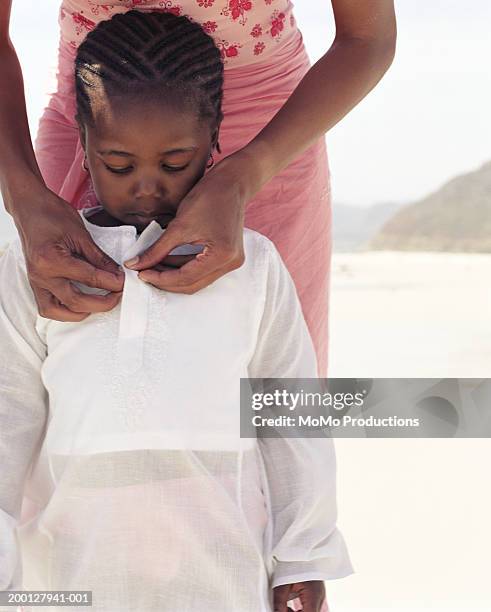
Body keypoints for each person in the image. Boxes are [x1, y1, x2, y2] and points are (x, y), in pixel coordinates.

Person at [0, 11, 353, 612]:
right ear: (82, 147)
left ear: (215, 143)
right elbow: (9, 414)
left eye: (173, 164)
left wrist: (303, 556)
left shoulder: (257, 268)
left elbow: (290, 409)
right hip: (69, 577)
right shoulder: (32, 269)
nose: (146, 189)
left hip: (221, 580)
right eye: (118, 166)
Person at [0, 1, 396, 377]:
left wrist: (245, 175)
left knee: (272, 387)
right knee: (54, 361)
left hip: (271, 136)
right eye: (123, 169)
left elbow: (366, 38)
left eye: (173, 166)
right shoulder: (96, 152)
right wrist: (22, 195)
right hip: (100, 117)